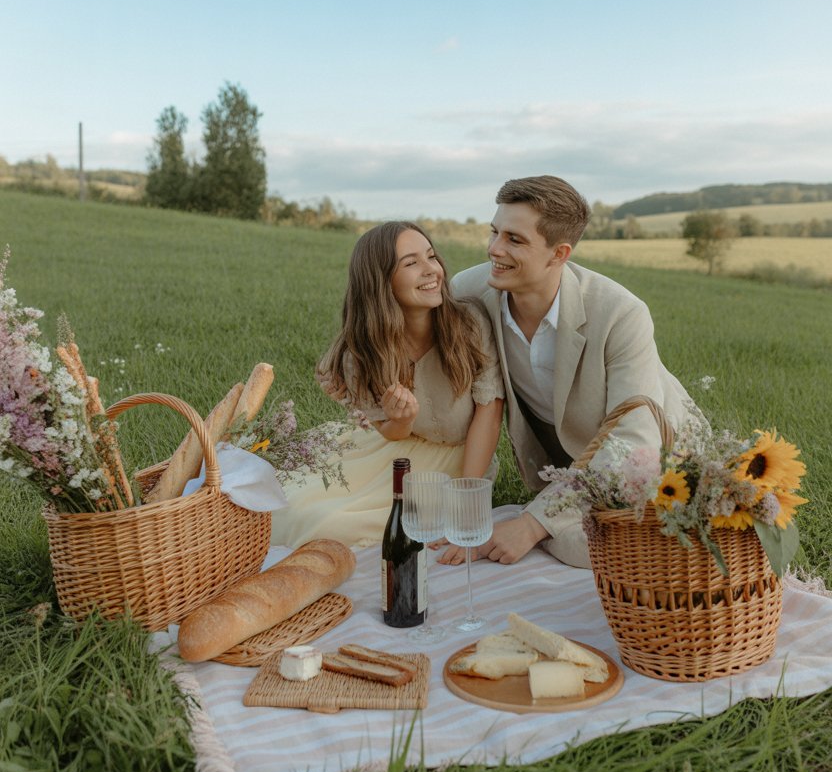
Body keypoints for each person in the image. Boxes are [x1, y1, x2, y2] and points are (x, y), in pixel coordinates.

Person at [444, 174, 702, 568]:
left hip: (658, 455)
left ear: (559, 254)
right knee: (573, 538)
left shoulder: (621, 313)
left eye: (515, 239)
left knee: (604, 548)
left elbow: (636, 442)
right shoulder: (470, 291)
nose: (494, 249)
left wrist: (531, 525)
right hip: (571, 459)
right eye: (494, 232)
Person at [270, 221, 505, 548]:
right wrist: (401, 420)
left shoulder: (469, 325)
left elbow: (490, 414)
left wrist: (466, 496)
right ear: (381, 283)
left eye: (431, 256)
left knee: (338, 525)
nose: (431, 270)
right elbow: (391, 432)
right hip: (395, 453)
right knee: (294, 507)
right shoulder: (362, 354)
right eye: (411, 263)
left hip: (462, 459)